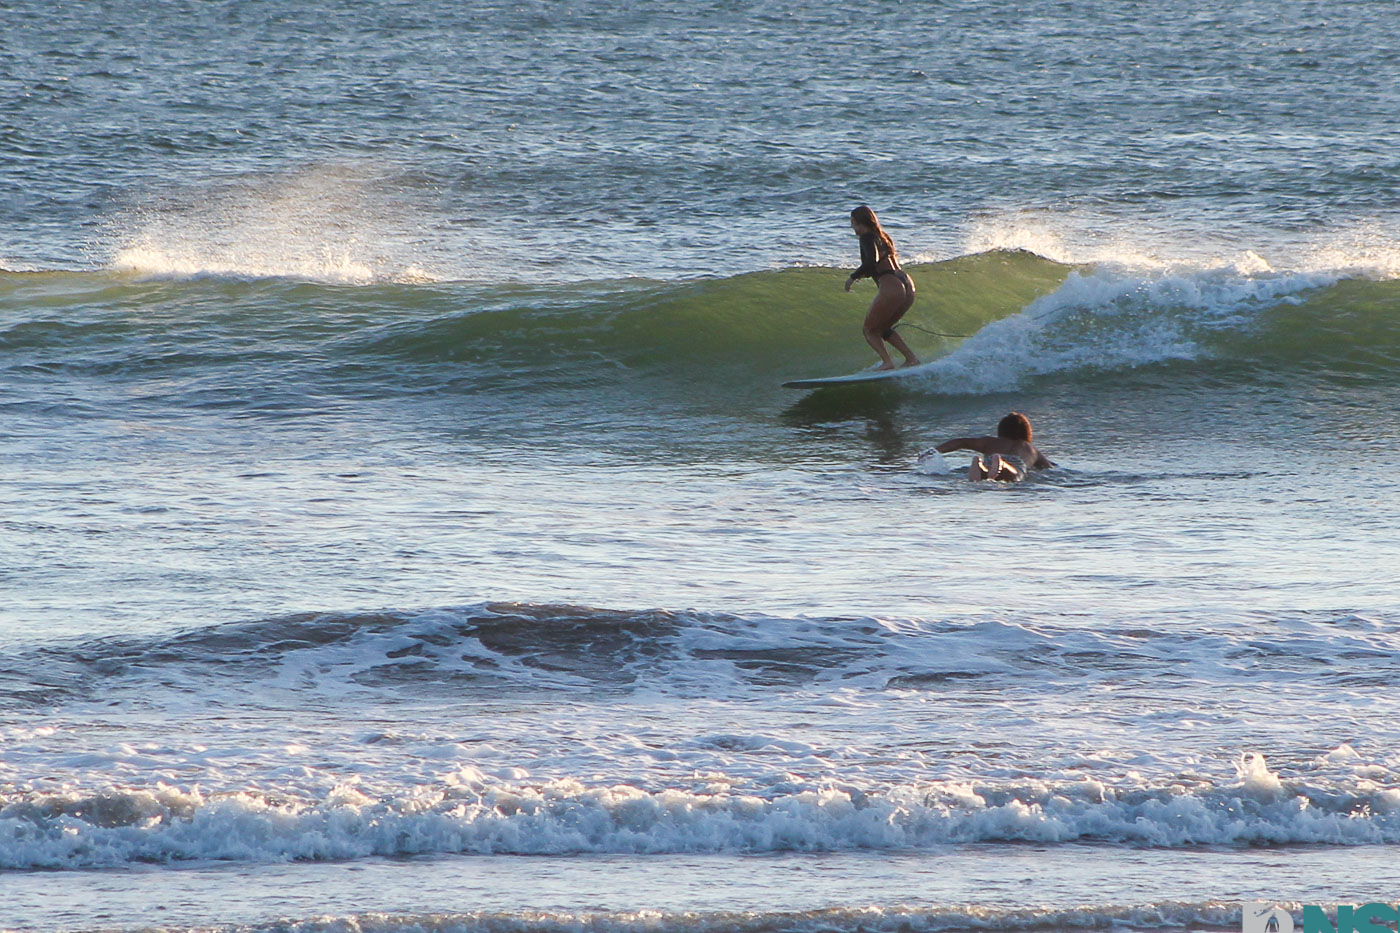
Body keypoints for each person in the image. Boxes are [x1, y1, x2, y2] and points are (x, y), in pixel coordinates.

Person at [845, 205, 919, 371]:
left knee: (869, 330)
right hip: (906, 283)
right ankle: (911, 359)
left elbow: (871, 262)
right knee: (883, 328)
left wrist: (853, 277)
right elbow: (880, 264)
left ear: (861, 223)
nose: (852, 227)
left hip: (891, 285)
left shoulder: (866, 237)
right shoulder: (883, 236)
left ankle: (888, 362)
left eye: (853, 223)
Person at [935, 412, 1054, 482]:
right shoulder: (1030, 449)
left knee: (983, 475)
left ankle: (980, 465)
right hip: (1015, 464)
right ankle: (1002, 465)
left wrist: (936, 451)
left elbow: (961, 442)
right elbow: (1049, 468)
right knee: (1014, 475)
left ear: (1002, 429)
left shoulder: (991, 442)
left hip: (991, 460)